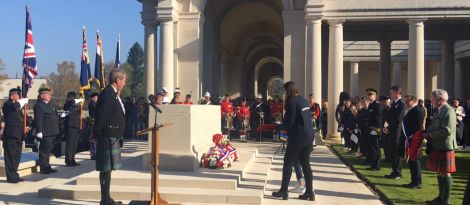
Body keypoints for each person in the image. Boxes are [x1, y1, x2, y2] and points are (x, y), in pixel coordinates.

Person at [272, 81, 314, 201]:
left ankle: (284, 191)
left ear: (288, 91)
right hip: (308, 136)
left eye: (285, 91)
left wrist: (278, 125)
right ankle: (310, 192)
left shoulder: (291, 103)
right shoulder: (303, 100)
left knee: (288, 163)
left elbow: (288, 124)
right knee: (306, 164)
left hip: (298, 138)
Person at [94, 69, 127, 205]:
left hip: (112, 136)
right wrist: (96, 133)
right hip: (107, 136)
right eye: (124, 81)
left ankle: (106, 198)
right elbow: (102, 115)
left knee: (107, 170)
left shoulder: (113, 93)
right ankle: (105, 200)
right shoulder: (108, 93)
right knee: (105, 169)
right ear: (118, 80)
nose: (124, 84)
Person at [424, 89, 457, 205]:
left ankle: (446, 200)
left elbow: (446, 130)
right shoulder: (440, 110)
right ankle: (440, 197)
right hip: (438, 145)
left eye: (434, 98)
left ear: (441, 100)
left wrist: (429, 136)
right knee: (439, 172)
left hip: (445, 146)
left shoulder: (449, 111)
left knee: (446, 172)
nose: (432, 101)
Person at [2, 88, 28, 183]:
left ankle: (15, 175)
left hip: (18, 135)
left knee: (16, 157)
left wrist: (24, 127)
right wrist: (22, 101)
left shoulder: (18, 107)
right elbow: (14, 107)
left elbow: (19, 120)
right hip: (10, 135)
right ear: (12, 95)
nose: (19, 97)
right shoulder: (7, 104)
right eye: (18, 95)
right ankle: (11, 177)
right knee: (10, 157)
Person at [34, 87, 60, 174]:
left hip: (52, 131)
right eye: (48, 94)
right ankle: (43, 168)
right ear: (42, 95)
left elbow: (54, 115)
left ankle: (47, 166)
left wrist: (61, 116)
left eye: (50, 94)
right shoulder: (39, 105)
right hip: (46, 132)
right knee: (44, 151)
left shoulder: (49, 105)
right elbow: (38, 119)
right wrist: (39, 131)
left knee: (48, 150)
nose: (50, 96)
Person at [400, 94, 425, 189]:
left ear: (413, 101)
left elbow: (418, 126)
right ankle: (414, 180)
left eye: (407, 101)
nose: (406, 103)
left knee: (415, 160)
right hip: (410, 138)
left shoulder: (418, 110)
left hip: (414, 139)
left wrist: (412, 136)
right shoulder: (411, 110)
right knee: (412, 160)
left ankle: (417, 182)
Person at [384, 86, 405, 180]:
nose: (390, 95)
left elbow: (398, 119)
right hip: (392, 131)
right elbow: (390, 117)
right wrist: (387, 127)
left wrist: (389, 128)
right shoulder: (394, 104)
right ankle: (394, 171)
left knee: (397, 153)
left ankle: (398, 173)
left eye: (391, 93)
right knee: (393, 153)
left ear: (397, 93)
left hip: (397, 132)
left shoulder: (401, 104)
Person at [63, 92, 84, 167]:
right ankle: (68, 160)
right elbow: (71, 102)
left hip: (76, 126)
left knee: (74, 144)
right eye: (73, 97)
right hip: (70, 126)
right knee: (70, 144)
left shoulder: (75, 106)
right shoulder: (67, 104)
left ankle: (72, 159)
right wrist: (79, 100)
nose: (74, 98)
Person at [365, 88, 383, 171]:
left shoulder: (377, 105)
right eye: (368, 95)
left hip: (375, 129)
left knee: (376, 147)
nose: (368, 96)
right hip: (370, 129)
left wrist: (376, 129)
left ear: (375, 96)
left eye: (370, 95)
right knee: (372, 147)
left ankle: (377, 165)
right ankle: (373, 164)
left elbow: (379, 118)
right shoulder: (371, 105)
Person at [89, 92, 99, 160]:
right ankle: (93, 154)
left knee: (95, 139)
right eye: (97, 97)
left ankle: (95, 153)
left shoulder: (94, 103)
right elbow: (97, 109)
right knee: (93, 139)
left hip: (95, 122)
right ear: (94, 97)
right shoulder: (92, 103)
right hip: (93, 122)